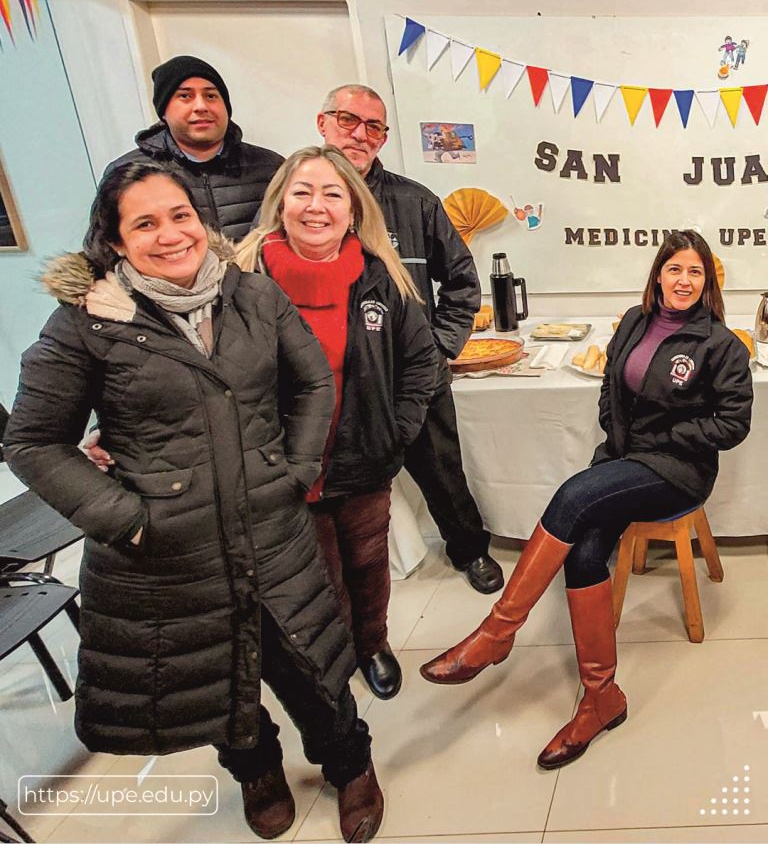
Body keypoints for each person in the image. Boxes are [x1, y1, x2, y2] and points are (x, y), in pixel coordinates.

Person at [3, 162, 384, 843]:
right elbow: (32, 441)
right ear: (116, 241)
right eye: (144, 223)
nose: (169, 234)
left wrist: (296, 468)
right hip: (167, 550)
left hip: (271, 528)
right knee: (216, 675)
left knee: (310, 664)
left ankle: (350, 763)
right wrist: (126, 520)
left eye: (179, 215)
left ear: (200, 222)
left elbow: (312, 386)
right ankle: (257, 770)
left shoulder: (252, 298)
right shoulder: (86, 324)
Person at [420, 230, 752, 769]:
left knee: (573, 496)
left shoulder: (721, 345)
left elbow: (733, 423)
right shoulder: (632, 322)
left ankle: (497, 631)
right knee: (584, 548)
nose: (684, 280)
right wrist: (615, 429)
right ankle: (602, 699)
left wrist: (663, 439)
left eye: (696, 272)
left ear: (708, 282)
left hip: (678, 470)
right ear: (658, 275)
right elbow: (610, 388)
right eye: (675, 270)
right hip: (623, 458)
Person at [237, 145, 438, 701]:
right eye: (303, 192)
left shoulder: (380, 278)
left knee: (368, 562)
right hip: (280, 465)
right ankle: (334, 654)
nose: (317, 206)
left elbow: (422, 360)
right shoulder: (241, 281)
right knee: (317, 574)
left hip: (362, 457)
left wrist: (397, 428)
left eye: (333, 194)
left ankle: (372, 644)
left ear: (353, 207)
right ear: (280, 203)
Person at [316, 85, 504, 595]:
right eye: (348, 120)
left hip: (412, 372)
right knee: (337, 483)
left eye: (373, 126)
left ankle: (470, 550)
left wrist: (440, 347)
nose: (360, 134)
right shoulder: (298, 200)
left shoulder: (414, 201)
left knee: (442, 469)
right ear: (323, 123)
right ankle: (345, 581)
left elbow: (463, 281)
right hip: (329, 376)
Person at [105, 55, 284, 240]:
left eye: (211, 96)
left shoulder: (271, 167)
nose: (201, 106)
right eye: (185, 96)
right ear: (163, 111)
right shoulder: (127, 173)